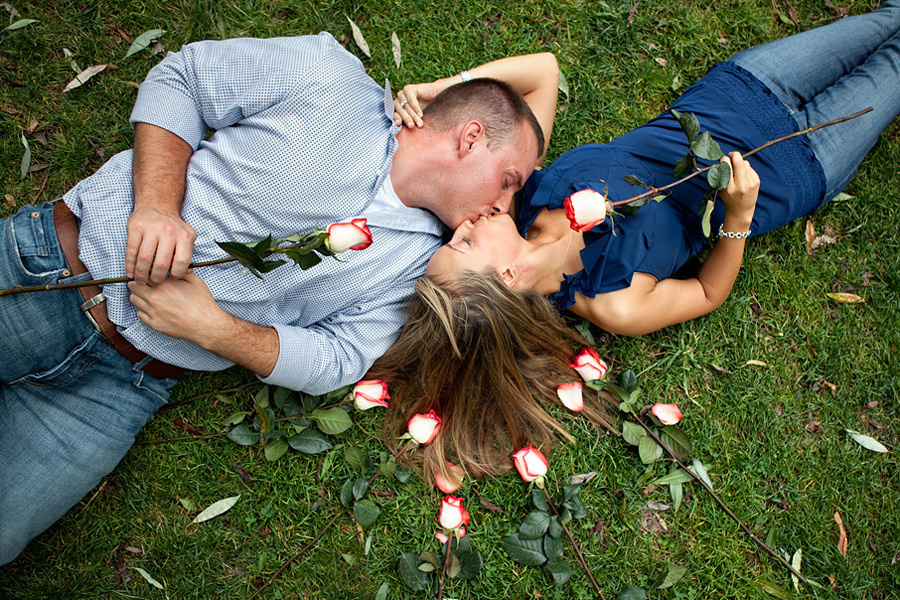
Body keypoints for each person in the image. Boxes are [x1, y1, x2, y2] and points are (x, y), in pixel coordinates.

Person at [0, 33, 556, 564]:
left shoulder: (419, 270)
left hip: (120, 389)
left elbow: (334, 359)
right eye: (508, 180)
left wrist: (214, 330)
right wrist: (157, 207)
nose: (506, 206)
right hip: (51, 270)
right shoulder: (328, 78)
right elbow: (183, 79)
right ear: (470, 138)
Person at [375, 1, 900, 483]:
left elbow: (543, 72)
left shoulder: (525, 192)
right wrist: (737, 216)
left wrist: (445, 90)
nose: (463, 224)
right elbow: (707, 294)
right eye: (463, 244)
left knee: (881, 21)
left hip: (739, 92)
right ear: (506, 278)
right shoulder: (614, 302)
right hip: (796, 165)